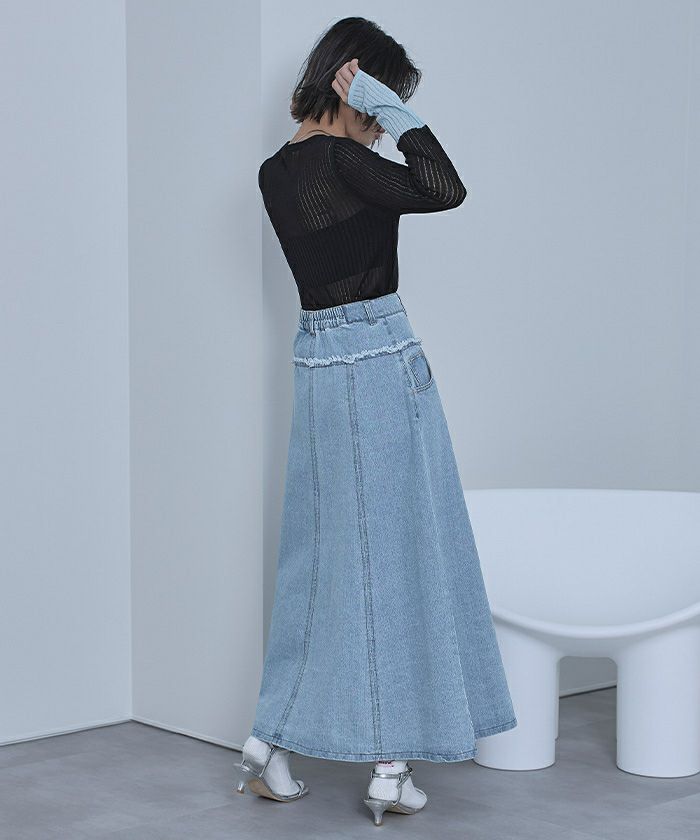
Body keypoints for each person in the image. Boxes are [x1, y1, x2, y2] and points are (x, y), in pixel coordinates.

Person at [235, 17, 518, 826]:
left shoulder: (274, 171)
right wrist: (391, 107)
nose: (382, 121)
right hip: (377, 356)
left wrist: (370, 108)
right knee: (393, 561)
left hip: (317, 365)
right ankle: (390, 769)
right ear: (354, 83)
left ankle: (268, 741)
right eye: (379, 98)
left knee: (318, 558)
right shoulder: (342, 160)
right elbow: (443, 187)